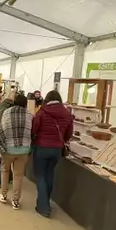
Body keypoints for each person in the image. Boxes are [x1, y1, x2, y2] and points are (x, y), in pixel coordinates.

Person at [31, 90, 73, 218]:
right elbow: (69, 133)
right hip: (57, 150)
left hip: (42, 147)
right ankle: (46, 202)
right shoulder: (67, 113)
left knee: (40, 176)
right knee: (49, 174)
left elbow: (34, 128)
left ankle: (43, 207)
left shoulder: (42, 112)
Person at [0, 93, 33, 210]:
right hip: (23, 150)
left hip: (8, 149)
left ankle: (3, 194)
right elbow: (32, 132)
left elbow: (1, 129)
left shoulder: (7, 112)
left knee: (5, 171)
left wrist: (0, 146)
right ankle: (15, 201)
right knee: (18, 175)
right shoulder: (29, 115)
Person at [0, 91, 15, 188]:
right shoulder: (10, 109)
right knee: (3, 159)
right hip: (4, 135)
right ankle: (0, 181)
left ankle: (0, 180)